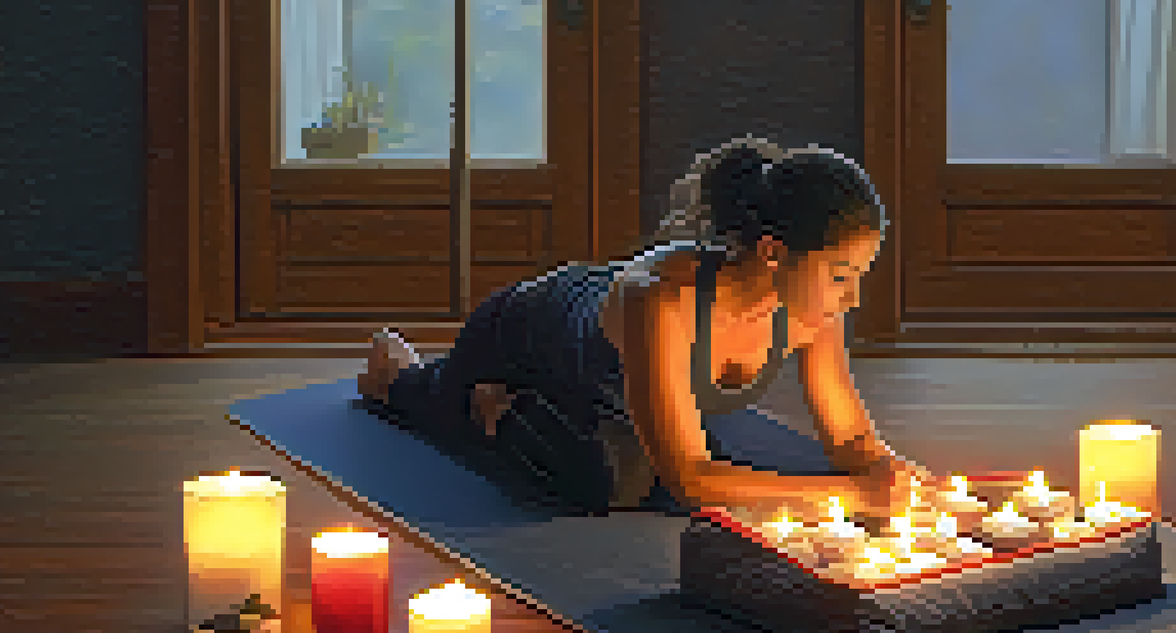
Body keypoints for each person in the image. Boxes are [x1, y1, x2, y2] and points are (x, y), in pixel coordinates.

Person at [358, 136, 928, 521]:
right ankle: (422, 381)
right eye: (841, 275)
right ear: (774, 253)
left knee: (655, 467)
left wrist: (887, 469)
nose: (852, 298)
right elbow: (692, 481)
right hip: (530, 331)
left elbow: (851, 438)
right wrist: (855, 493)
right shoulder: (663, 299)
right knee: (614, 485)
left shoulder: (813, 309)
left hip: (614, 384)